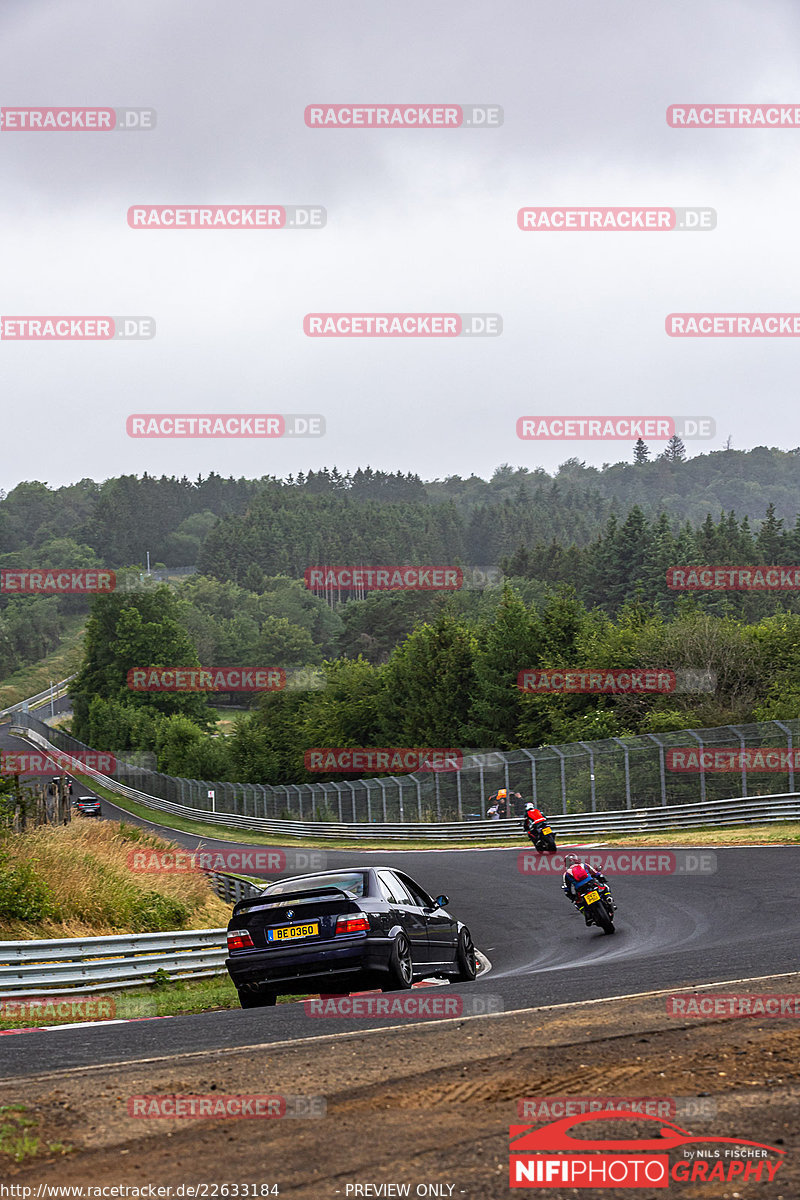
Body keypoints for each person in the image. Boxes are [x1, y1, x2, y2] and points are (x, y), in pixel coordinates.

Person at [562, 853, 615, 924]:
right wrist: (601, 878)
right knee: (605, 887)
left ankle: (587, 914)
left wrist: (572, 896)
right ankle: (608, 899)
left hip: (581, 889)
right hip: (591, 884)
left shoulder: (566, 874)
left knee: (577, 903)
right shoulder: (584, 865)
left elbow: (567, 889)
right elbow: (596, 873)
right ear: (576, 859)